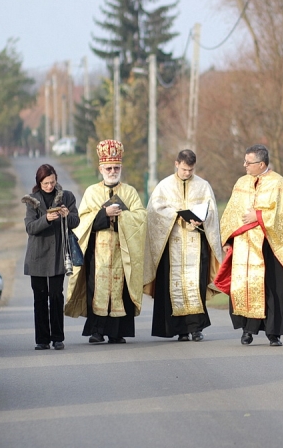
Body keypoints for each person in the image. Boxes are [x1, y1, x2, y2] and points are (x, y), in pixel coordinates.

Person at [215, 144, 283, 346]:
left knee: (272, 288)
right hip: (244, 246)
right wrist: (228, 239)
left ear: (261, 164)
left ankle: (273, 333)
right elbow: (232, 212)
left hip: (270, 245)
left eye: (248, 162)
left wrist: (258, 216)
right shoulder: (241, 182)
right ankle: (247, 330)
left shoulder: (279, 183)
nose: (245, 166)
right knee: (244, 286)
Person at [65, 139, 147, 344]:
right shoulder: (92, 192)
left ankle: (117, 333)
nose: (112, 171)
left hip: (123, 251)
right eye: (109, 167)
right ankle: (97, 331)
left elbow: (141, 218)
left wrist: (121, 216)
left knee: (121, 290)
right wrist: (103, 214)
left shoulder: (129, 192)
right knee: (97, 289)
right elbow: (81, 221)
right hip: (98, 253)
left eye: (116, 167)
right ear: (101, 168)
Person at [143, 149, 223, 342]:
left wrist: (202, 219)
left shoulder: (203, 186)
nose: (188, 173)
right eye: (185, 169)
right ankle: (179, 329)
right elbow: (154, 213)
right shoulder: (164, 186)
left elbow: (212, 212)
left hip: (197, 245)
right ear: (177, 164)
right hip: (172, 245)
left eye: (191, 170)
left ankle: (196, 328)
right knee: (173, 286)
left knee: (195, 284)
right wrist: (177, 215)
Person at [21, 164, 80, 350]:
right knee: (39, 298)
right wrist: (46, 219)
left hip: (58, 254)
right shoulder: (32, 200)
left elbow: (75, 222)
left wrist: (65, 215)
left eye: (52, 182)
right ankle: (42, 340)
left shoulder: (67, 197)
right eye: (45, 183)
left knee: (56, 296)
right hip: (37, 255)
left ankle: (58, 338)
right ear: (39, 182)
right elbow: (30, 228)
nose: (49, 186)